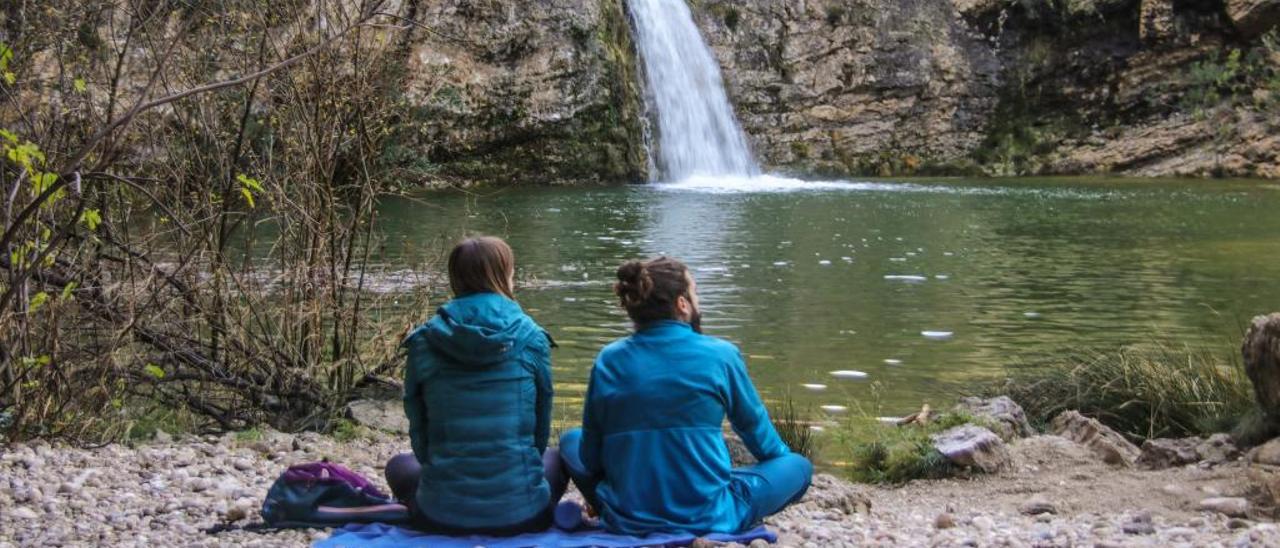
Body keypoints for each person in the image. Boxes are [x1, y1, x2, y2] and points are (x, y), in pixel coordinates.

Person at [559, 256, 812, 536]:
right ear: (682, 304)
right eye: (695, 293)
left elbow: (591, 460)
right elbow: (761, 439)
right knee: (797, 466)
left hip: (628, 517)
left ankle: (614, 504)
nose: (697, 301)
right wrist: (776, 465)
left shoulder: (608, 360)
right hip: (710, 516)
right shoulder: (721, 355)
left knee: (570, 439)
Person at [385, 236, 566, 535]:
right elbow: (540, 432)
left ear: (454, 277)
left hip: (440, 516)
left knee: (398, 466)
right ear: (505, 275)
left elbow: (419, 432)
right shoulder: (532, 338)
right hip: (524, 515)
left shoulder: (424, 341)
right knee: (558, 458)